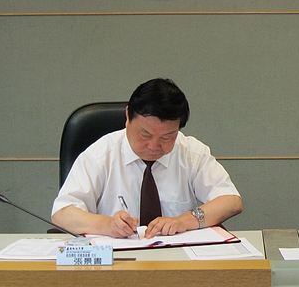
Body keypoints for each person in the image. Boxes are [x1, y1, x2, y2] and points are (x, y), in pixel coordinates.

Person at [52, 78, 242, 238]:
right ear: (128, 117)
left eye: (167, 137)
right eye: (145, 134)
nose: (153, 146)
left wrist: (184, 221)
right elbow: (62, 213)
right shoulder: (100, 156)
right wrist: (106, 224)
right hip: (116, 262)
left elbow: (231, 201)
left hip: (177, 261)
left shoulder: (191, 153)